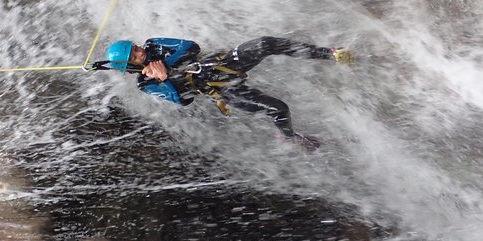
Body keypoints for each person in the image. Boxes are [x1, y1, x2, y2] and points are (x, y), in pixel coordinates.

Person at [96, 36, 354, 152]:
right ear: (131, 66)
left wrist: (168, 66)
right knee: (278, 109)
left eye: (135, 47)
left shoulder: (155, 45)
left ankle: (328, 54)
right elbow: (183, 100)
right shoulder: (146, 84)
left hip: (222, 62)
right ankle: (290, 138)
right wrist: (166, 79)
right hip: (223, 89)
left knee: (265, 43)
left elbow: (190, 47)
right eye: (135, 54)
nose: (140, 50)